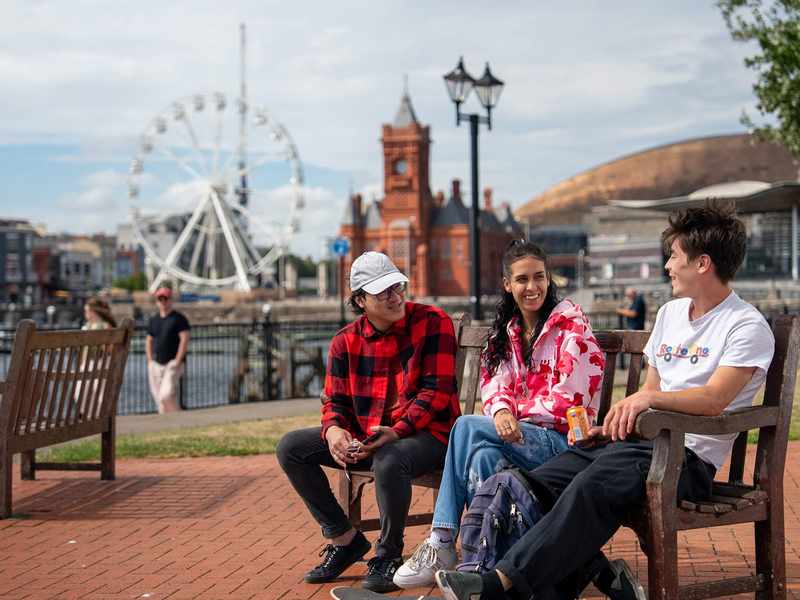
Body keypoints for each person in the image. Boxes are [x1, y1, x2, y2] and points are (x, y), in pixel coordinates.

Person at [434, 203, 775, 600]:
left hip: (685, 460)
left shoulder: (745, 324)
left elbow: (715, 400)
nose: (667, 266)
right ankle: (574, 579)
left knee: (590, 485)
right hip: (635, 446)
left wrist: (646, 399)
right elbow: (651, 392)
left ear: (702, 264)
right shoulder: (670, 314)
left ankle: (498, 584)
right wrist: (615, 425)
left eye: (674, 257)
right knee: (528, 484)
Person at [394, 240, 606, 590]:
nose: (532, 287)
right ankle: (487, 568)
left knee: (465, 426)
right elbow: (495, 383)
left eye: (539, 277)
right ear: (508, 284)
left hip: (562, 444)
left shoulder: (573, 329)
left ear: (549, 279)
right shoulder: (509, 332)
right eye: (522, 279)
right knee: (482, 455)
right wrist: (502, 410)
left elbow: (571, 400)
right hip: (519, 440)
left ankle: (443, 540)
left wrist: (512, 416)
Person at [277, 251, 460, 593]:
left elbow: (437, 391)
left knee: (390, 457)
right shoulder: (345, 341)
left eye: (397, 287)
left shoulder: (433, 321)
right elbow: (335, 400)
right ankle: (345, 539)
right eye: (383, 292)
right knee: (291, 448)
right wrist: (333, 430)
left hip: (429, 435)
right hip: (369, 434)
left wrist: (397, 431)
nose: (395, 297)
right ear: (360, 300)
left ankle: (389, 554)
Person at [146, 286, 190, 414]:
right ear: (156, 301)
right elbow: (149, 340)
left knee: (165, 395)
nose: (163, 302)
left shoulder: (179, 319)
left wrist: (177, 359)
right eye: (160, 299)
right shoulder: (153, 320)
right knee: (160, 397)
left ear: (171, 300)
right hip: (156, 364)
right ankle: (169, 422)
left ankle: (176, 417)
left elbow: (184, 339)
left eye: (165, 298)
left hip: (173, 364)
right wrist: (149, 360)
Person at [616, 288, 646, 368]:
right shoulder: (635, 300)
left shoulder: (638, 300)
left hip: (637, 329)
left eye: (628, 295)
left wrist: (620, 311)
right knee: (635, 349)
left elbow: (633, 313)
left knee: (636, 348)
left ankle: (639, 365)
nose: (628, 297)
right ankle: (638, 365)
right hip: (634, 328)